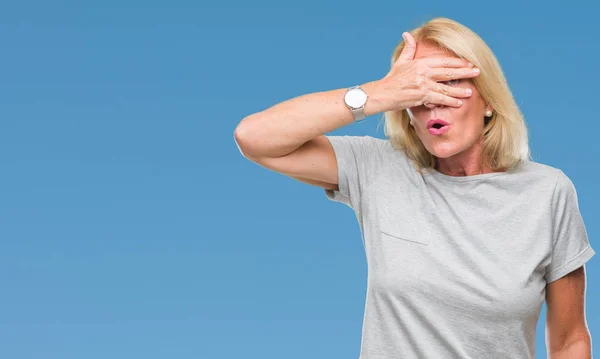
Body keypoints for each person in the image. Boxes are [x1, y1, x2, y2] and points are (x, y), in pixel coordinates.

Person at [233, 17, 595, 358]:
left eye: (448, 82)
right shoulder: (377, 168)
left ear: (488, 100)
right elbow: (254, 137)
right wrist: (379, 93)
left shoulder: (547, 192)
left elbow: (569, 339)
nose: (431, 99)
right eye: (417, 87)